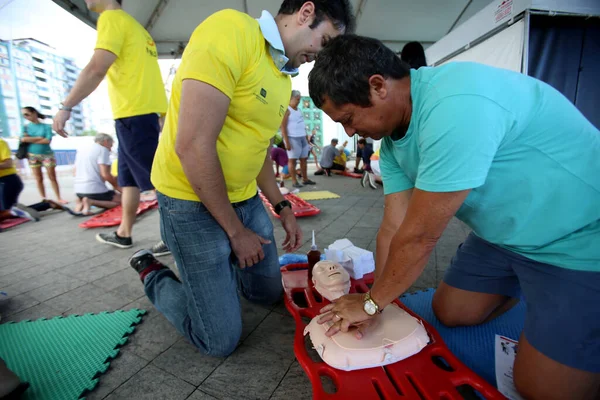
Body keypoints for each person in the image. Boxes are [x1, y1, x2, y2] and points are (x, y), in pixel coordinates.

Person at [308, 34, 600, 400]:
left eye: (349, 118)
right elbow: (394, 227)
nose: (349, 132)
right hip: (501, 236)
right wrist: (380, 305)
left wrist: (369, 303)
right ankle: (536, 295)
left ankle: (566, 303)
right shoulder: (394, 137)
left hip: (577, 236)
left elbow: (420, 237)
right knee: (450, 312)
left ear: (378, 86)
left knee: (539, 389)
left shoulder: (455, 106)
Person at [128, 0, 355, 357]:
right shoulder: (231, 32)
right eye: (323, 42)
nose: (319, 56)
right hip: (189, 202)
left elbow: (258, 151)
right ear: (306, 13)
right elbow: (192, 146)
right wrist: (236, 233)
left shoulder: (283, 78)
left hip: (244, 198)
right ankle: (153, 273)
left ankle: (217, 275)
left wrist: (283, 206)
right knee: (219, 341)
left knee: (266, 294)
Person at [52, 0, 168, 250]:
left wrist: (66, 106)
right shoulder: (138, 28)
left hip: (134, 114)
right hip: (141, 114)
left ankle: (176, 238)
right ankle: (124, 233)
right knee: (129, 181)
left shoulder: (111, 19)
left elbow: (97, 67)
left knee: (160, 183)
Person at [0, 137, 66, 224]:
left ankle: (15, 211)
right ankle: (47, 204)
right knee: (6, 212)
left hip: (7, 181)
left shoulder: (1, 143)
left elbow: (8, 163)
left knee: (6, 213)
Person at [19, 107, 66, 204]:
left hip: (47, 154)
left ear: (34, 113)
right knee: (38, 178)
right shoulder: (25, 127)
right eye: (23, 115)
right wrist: (40, 138)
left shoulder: (46, 126)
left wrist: (31, 139)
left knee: (52, 176)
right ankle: (43, 198)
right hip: (32, 155)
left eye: (27, 114)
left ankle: (59, 197)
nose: (25, 117)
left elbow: (47, 140)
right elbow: (23, 139)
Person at [73, 133, 121, 216]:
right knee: (121, 201)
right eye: (110, 145)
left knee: (110, 194)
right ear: (106, 142)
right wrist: (118, 188)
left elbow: (74, 172)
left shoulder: (82, 149)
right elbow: (105, 175)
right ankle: (91, 201)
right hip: (93, 189)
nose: (110, 149)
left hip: (78, 189)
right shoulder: (102, 150)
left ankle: (80, 202)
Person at [281, 90, 316, 187]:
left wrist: (306, 138)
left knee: (304, 159)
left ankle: (305, 179)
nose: (299, 101)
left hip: (302, 138)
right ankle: (294, 181)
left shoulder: (299, 110)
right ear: (291, 99)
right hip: (292, 138)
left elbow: (302, 125)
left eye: (299, 99)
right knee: (292, 160)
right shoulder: (287, 110)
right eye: (297, 99)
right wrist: (287, 141)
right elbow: (283, 126)